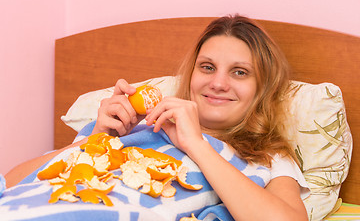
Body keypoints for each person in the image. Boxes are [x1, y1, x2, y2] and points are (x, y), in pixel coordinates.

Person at [5, 15, 309, 220]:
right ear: (191, 74)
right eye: (207, 67)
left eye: (239, 72)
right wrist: (95, 140)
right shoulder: (131, 127)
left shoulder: (267, 158)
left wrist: (197, 145)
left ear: (262, 87)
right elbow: (11, 183)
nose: (218, 83)